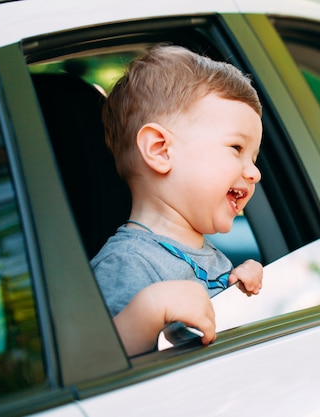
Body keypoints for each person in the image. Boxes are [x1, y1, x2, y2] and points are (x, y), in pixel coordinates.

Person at [91, 45, 264, 356]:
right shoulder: (126, 262)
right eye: (237, 148)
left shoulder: (204, 252)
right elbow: (97, 364)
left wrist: (239, 291)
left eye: (254, 157)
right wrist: (150, 309)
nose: (254, 172)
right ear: (160, 150)